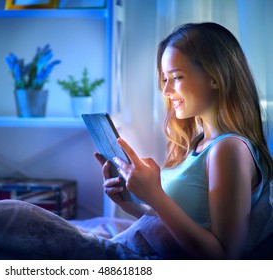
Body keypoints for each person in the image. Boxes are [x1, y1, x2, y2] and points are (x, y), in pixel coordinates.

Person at [95, 22, 273, 259]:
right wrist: (132, 205)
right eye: (164, 79)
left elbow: (225, 258)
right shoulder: (198, 145)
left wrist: (156, 196)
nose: (166, 91)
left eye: (176, 77)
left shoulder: (228, 150)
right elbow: (186, 226)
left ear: (215, 77)